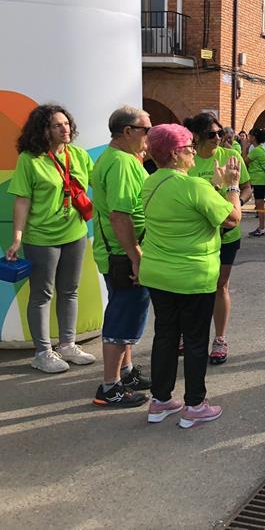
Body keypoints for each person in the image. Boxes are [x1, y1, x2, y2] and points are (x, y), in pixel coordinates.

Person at [141, 124, 242, 428]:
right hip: (192, 276)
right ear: (175, 154)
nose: (193, 153)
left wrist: (214, 186)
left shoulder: (151, 182)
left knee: (166, 336)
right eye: (189, 149)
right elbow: (232, 219)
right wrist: (232, 186)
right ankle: (195, 404)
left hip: (158, 274)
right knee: (197, 340)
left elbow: (189, 209)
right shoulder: (192, 186)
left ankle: (159, 401)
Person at [5, 104, 96, 373]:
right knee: (42, 294)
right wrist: (17, 238)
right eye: (57, 125)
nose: (65, 128)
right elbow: (22, 200)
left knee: (70, 290)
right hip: (41, 237)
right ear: (43, 130)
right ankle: (43, 352)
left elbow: (99, 181)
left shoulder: (78, 155)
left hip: (75, 232)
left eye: (66, 123)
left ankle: (67, 345)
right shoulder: (30, 160)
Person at [90, 106, 153, 407]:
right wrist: (136, 256)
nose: (149, 137)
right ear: (128, 131)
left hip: (119, 251)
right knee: (122, 317)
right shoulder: (121, 164)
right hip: (123, 254)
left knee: (126, 315)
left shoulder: (116, 159)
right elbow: (120, 215)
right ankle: (110, 386)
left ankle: (125, 373)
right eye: (146, 130)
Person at [185, 112, 253, 365]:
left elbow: (246, 187)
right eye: (211, 134)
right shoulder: (188, 161)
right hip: (196, 235)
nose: (218, 138)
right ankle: (189, 334)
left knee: (219, 285)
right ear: (197, 136)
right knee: (192, 288)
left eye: (220, 133)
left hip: (227, 233)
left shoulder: (232, 157)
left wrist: (237, 204)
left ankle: (220, 338)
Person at [244, 127, 265, 237]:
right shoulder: (261, 148)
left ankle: (262, 227)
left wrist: (245, 148)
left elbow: (244, 161)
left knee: (260, 205)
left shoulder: (256, 151)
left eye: (249, 136)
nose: (248, 138)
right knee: (260, 205)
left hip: (259, 180)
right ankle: (261, 227)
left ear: (253, 137)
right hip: (260, 179)